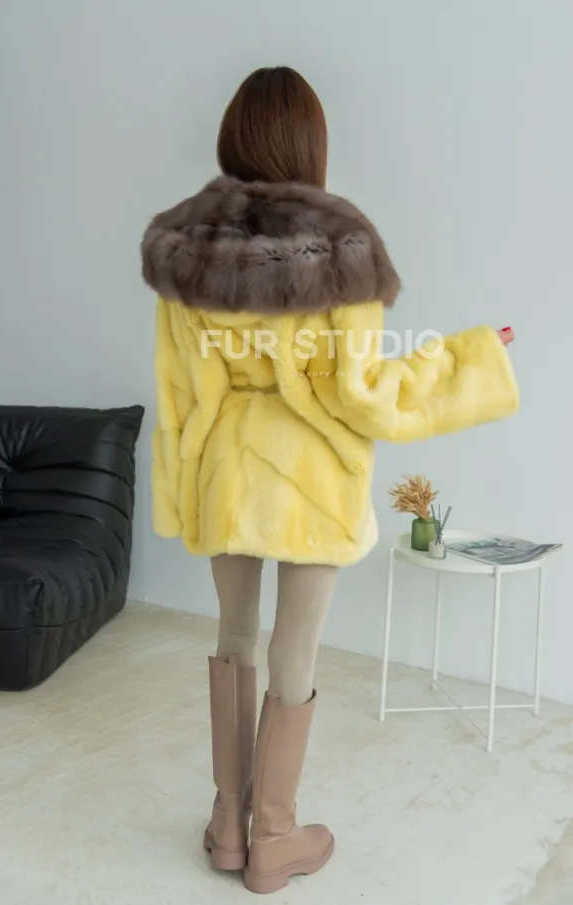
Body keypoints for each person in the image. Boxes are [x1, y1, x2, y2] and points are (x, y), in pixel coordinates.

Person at [140, 66, 518, 894]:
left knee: (233, 634)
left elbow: (178, 392)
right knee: (295, 647)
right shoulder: (341, 245)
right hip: (312, 477)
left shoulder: (187, 247)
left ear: (235, 135)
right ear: (310, 142)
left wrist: (180, 489)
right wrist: (470, 357)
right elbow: (364, 392)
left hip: (225, 470)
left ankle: (227, 823)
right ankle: (274, 836)